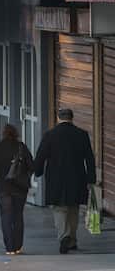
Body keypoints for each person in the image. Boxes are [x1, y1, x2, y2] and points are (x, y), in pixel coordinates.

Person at [33, 108, 96, 254]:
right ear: (72, 118)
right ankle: (72, 240)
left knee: (59, 208)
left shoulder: (50, 135)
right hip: (77, 177)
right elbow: (90, 159)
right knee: (74, 208)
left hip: (56, 178)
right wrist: (91, 179)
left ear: (58, 118)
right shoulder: (82, 134)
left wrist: (38, 171)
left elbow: (41, 155)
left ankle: (64, 236)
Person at [0, 124, 34, 255]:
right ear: (16, 133)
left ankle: (9, 248)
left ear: (3, 134)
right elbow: (32, 166)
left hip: (3, 188)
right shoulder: (21, 147)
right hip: (20, 188)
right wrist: (25, 176)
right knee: (18, 216)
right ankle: (18, 246)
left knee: (6, 217)